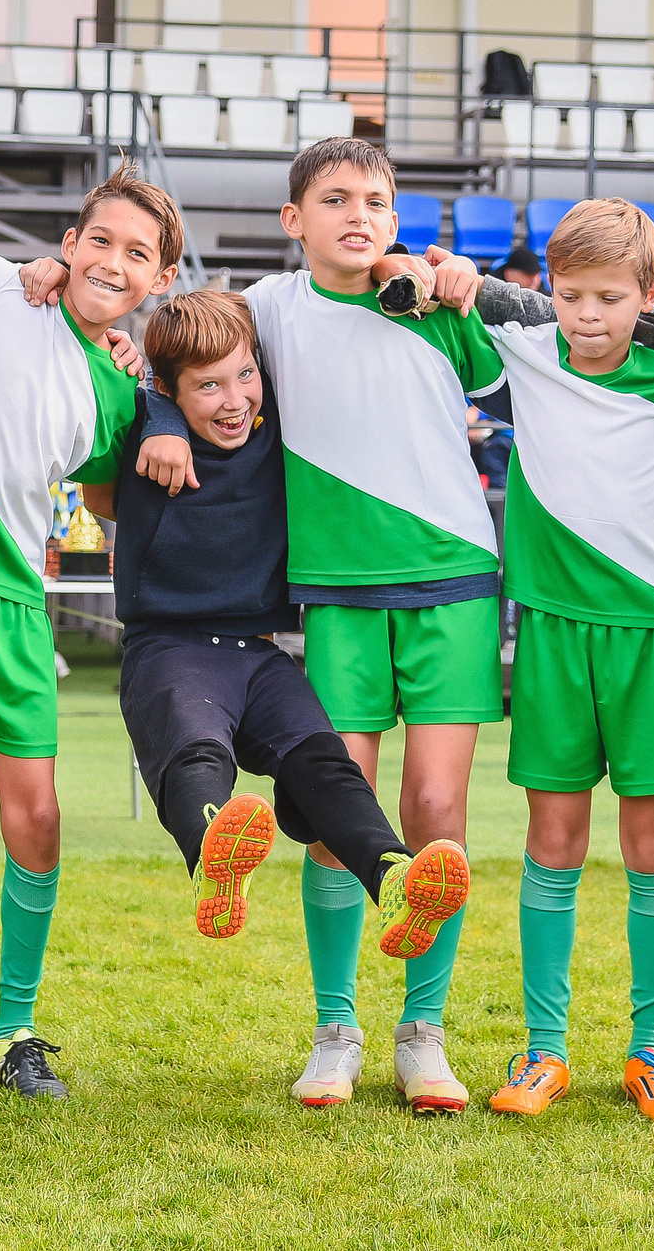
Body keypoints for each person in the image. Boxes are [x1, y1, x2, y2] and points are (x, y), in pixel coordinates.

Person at [128, 137, 509, 1113]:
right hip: (336, 594)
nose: (357, 215)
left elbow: (515, 373)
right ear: (293, 220)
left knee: (436, 809)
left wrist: (459, 281)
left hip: (455, 581)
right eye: (334, 199)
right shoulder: (268, 307)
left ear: (397, 219)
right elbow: (177, 352)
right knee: (338, 810)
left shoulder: (434, 304)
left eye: (375, 201)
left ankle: (423, 1033)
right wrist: (160, 420)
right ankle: (335, 1029)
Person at [91, 288, 469, 1110]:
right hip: (171, 647)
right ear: (170, 388)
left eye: (243, 376)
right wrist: (156, 417)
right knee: (196, 750)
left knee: (325, 763)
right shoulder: (143, 426)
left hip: (259, 653)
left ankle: (395, 877)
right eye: (206, 387)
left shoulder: (275, 431)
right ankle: (212, 853)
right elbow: (99, 475)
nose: (233, 400)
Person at [423, 202, 654, 1126]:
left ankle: (652, 1050)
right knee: (552, 839)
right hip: (554, 631)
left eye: (609, 297)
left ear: (648, 295)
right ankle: (545, 1048)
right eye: (570, 295)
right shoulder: (527, 345)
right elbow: (444, 280)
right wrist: (447, 272)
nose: (587, 315)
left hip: (652, 630)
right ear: (548, 292)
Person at [0, 167, 178, 1112]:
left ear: (160, 278)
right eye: (101, 241)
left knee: (38, 816)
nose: (113, 262)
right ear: (69, 243)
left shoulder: (119, 388)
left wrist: (153, 400)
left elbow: (107, 492)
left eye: (137, 253)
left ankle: (16, 1028)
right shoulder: (1, 289)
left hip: (17, 599)